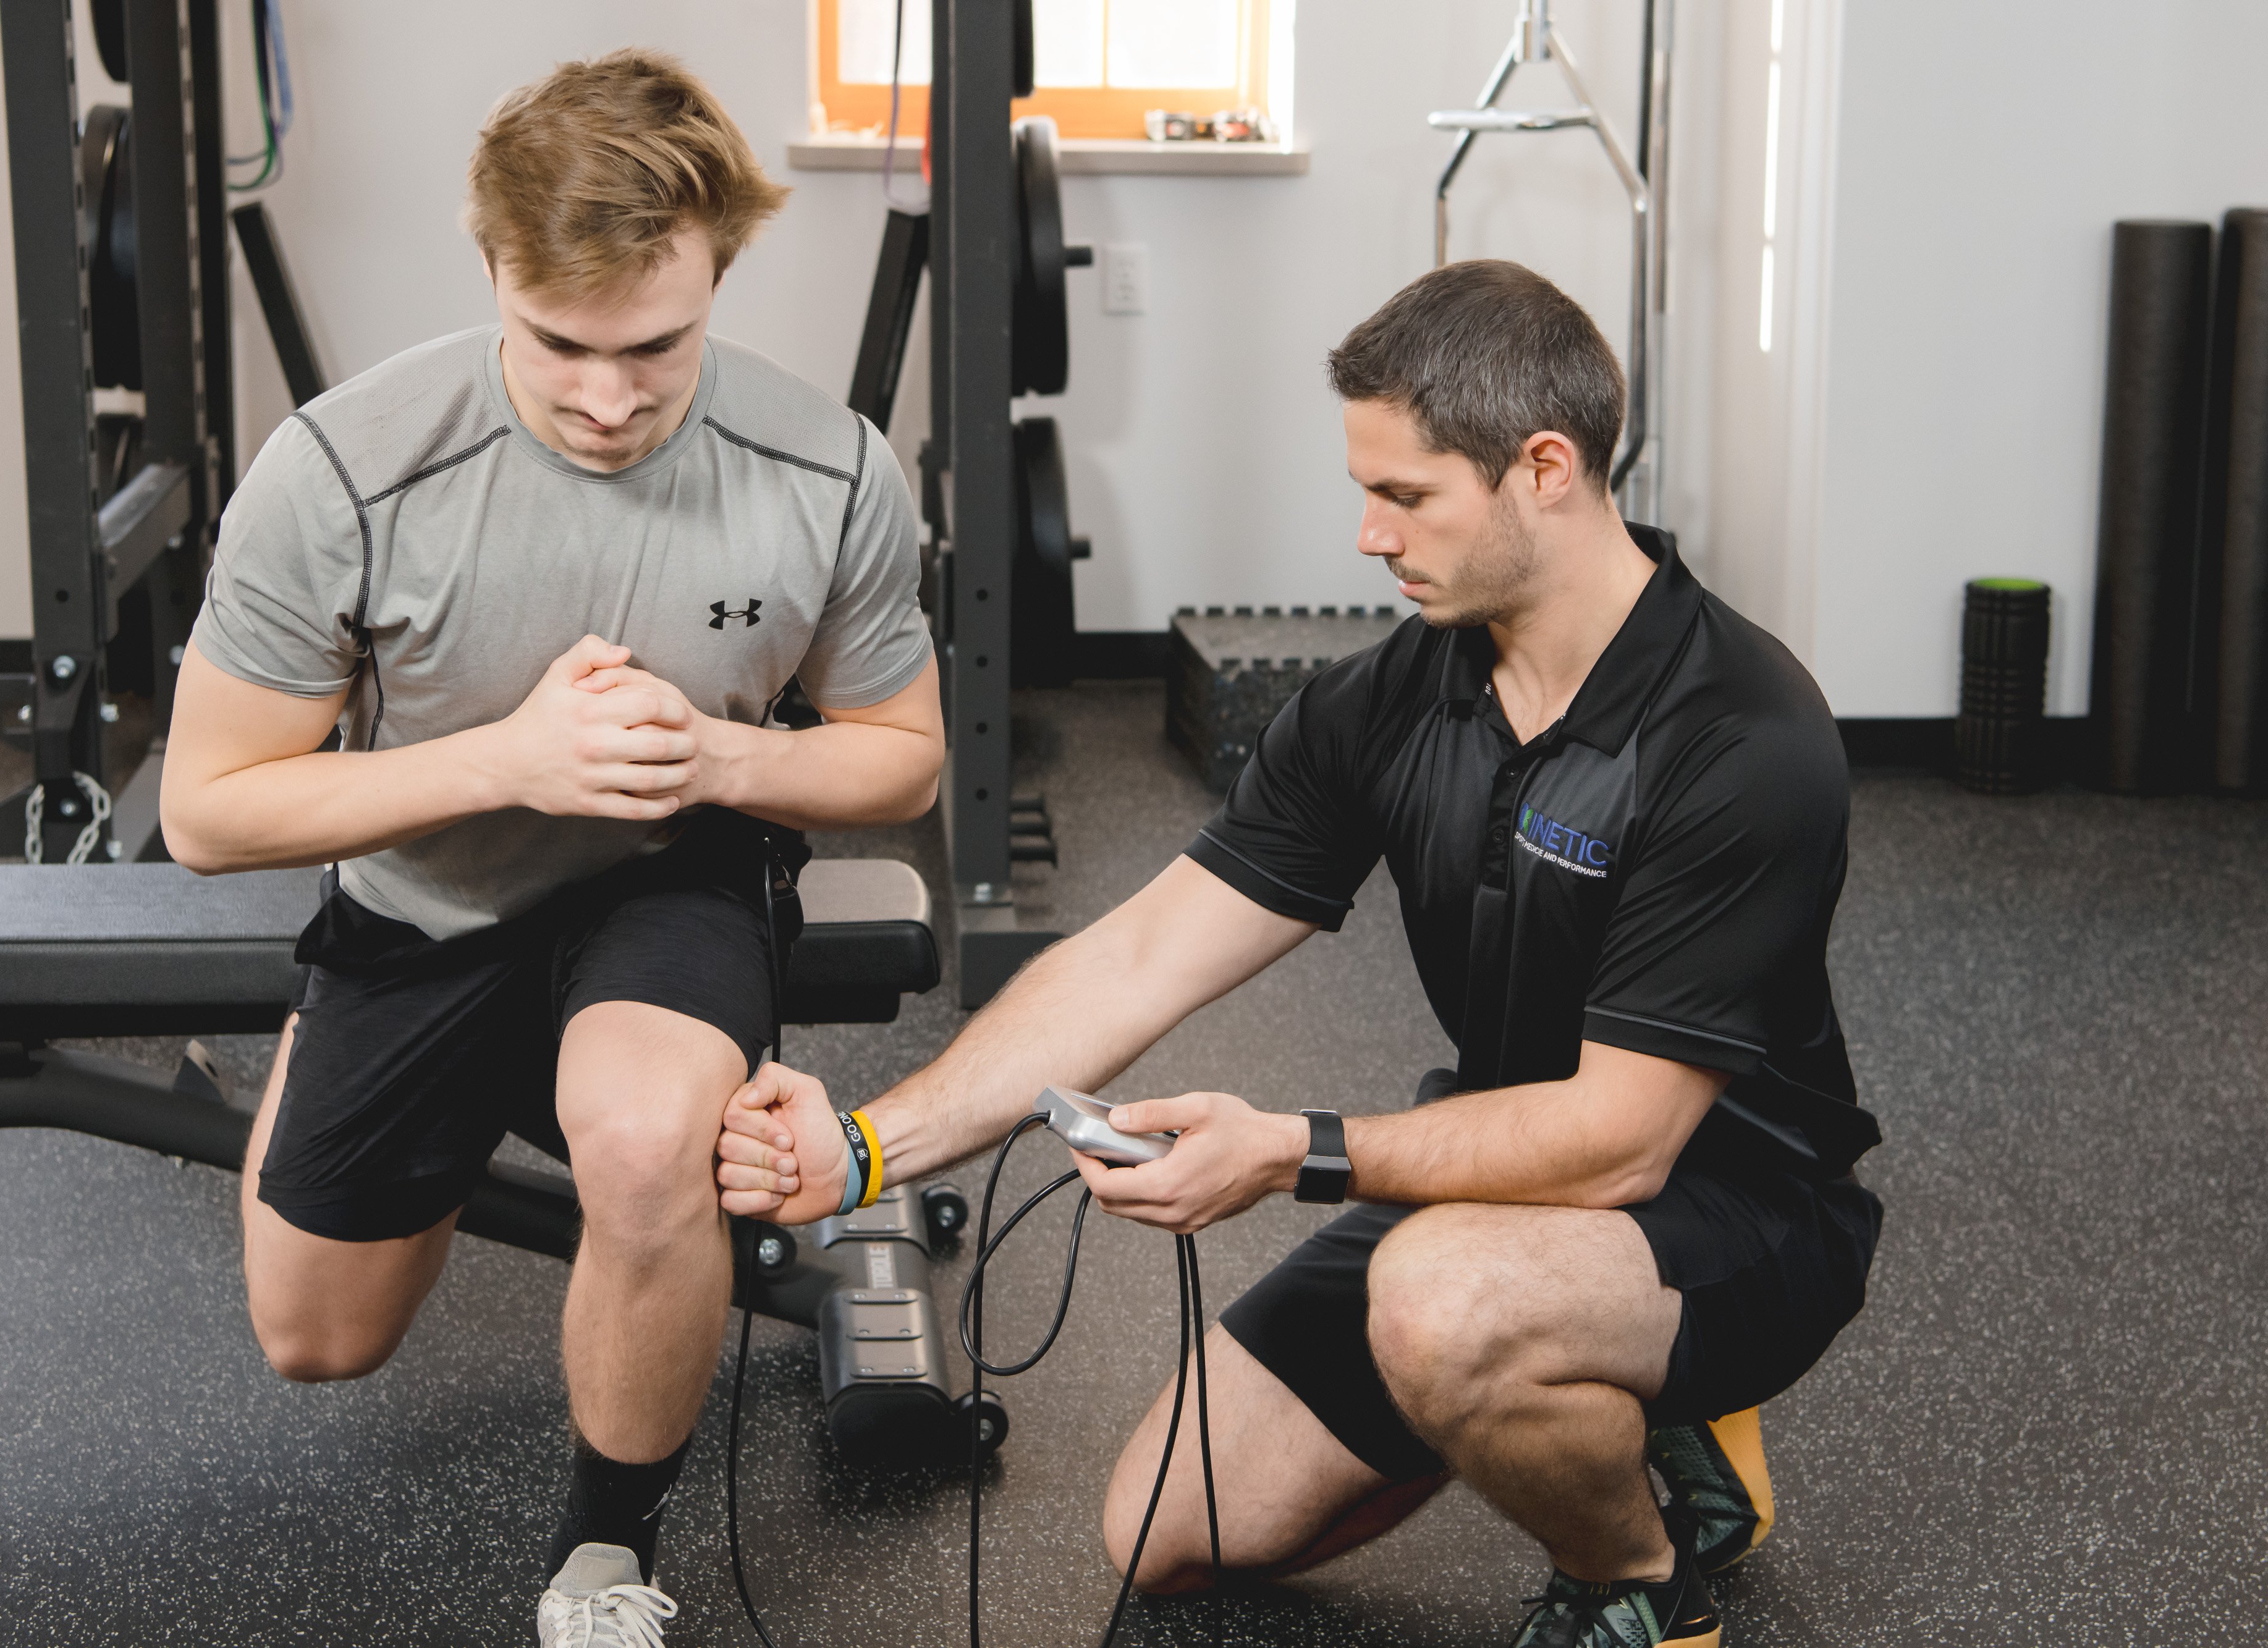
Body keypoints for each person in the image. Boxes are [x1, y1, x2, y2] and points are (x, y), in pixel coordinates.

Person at [718, 260, 1884, 1648]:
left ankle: (1637, 1571)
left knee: (1440, 1308)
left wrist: (1288, 1149)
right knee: (1161, 1527)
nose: (1367, 535)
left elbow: (1623, 1143)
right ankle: (1583, 1394)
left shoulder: (1739, 737)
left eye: (1405, 495)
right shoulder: (1394, 693)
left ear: (1545, 469)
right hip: (1499, 1181)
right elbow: (1142, 951)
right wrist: (864, 1148)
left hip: (1737, 1215)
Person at [157, 49, 942, 1647]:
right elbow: (210, 810)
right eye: (559, 344)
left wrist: (726, 752)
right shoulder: (348, 470)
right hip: (426, 893)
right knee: (320, 1339)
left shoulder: (825, 470)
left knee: (649, 1138)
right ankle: (343, 1060)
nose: (605, 396)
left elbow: (906, 758)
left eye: (655, 345)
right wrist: (512, 755)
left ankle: (604, 1554)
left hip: (675, 876)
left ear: (720, 266)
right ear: (491, 269)